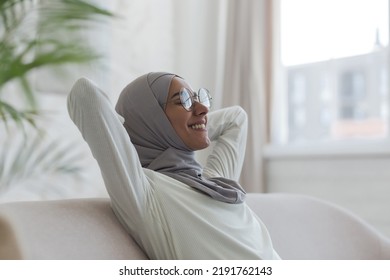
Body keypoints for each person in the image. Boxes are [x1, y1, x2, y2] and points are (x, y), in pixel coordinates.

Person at [68, 72, 280, 260]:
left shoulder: (215, 181)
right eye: (184, 101)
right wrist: (139, 133)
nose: (203, 108)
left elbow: (236, 119)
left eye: (197, 98)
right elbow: (85, 94)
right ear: (152, 118)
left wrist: (190, 130)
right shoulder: (143, 192)